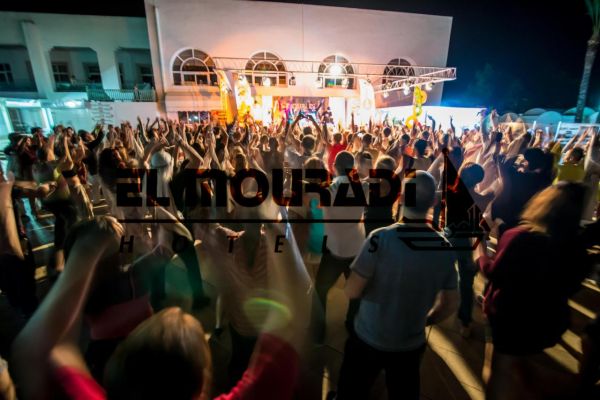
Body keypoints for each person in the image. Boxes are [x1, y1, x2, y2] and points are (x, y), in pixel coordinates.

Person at [11, 216, 311, 400]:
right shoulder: (128, 279)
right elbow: (291, 317)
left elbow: (35, 353)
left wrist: (86, 249)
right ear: (203, 384)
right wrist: (278, 226)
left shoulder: (104, 287)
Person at [332, 171, 458, 399]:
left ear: (400, 198)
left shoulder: (379, 239)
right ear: (433, 202)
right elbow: (450, 304)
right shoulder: (445, 248)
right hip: (410, 343)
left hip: (368, 338)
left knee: (351, 392)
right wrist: (427, 319)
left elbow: (351, 290)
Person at [479, 183, 591, 399]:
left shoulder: (520, 237)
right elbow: (571, 286)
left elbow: (494, 273)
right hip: (546, 322)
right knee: (521, 363)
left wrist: (480, 252)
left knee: (497, 368)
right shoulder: (577, 249)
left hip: (511, 318)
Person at [312, 151, 365, 342]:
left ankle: (318, 333)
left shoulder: (327, 189)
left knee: (320, 290)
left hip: (334, 248)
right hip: (356, 247)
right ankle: (352, 325)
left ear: (335, 166)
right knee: (356, 291)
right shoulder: (362, 187)